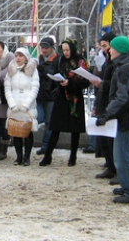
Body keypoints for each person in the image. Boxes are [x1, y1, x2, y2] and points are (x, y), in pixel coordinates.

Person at [96, 36, 129, 204]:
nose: (109, 50)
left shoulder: (125, 69)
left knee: (123, 157)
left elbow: (122, 97)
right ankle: (127, 186)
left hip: (128, 118)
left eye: (112, 47)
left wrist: (106, 114)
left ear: (121, 50)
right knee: (121, 156)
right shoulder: (126, 66)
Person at [39, 38, 90, 167]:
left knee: (75, 129)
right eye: (64, 50)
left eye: (68, 50)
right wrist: (57, 80)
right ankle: (48, 155)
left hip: (75, 98)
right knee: (55, 127)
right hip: (61, 97)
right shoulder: (60, 60)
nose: (66, 52)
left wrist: (70, 82)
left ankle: (73, 156)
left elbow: (86, 81)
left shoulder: (81, 61)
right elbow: (55, 74)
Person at [4, 48, 39, 166]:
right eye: (16, 55)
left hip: (27, 106)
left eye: (20, 56)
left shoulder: (33, 70)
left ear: (26, 57)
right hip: (14, 105)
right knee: (16, 131)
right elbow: (7, 87)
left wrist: (27, 104)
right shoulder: (11, 69)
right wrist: (11, 103)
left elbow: (35, 88)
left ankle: (27, 157)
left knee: (27, 131)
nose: (18, 58)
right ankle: (18, 157)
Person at [90, 32, 117, 179]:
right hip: (102, 100)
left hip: (111, 102)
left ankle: (114, 166)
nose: (104, 50)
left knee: (111, 138)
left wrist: (101, 83)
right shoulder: (106, 60)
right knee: (103, 137)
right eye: (101, 47)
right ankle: (109, 164)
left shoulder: (117, 63)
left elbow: (116, 84)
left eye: (105, 46)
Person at [35, 37, 59, 155]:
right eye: (42, 48)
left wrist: (44, 72)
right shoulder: (39, 59)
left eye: (46, 48)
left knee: (49, 121)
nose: (44, 50)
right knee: (39, 118)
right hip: (40, 94)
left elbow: (54, 76)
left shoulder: (56, 60)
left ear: (51, 48)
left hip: (51, 94)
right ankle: (45, 144)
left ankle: (46, 145)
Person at [0, 41, 14, 160]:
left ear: (3, 50)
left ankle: (4, 149)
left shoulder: (9, 64)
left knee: (3, 124)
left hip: (4, 98)